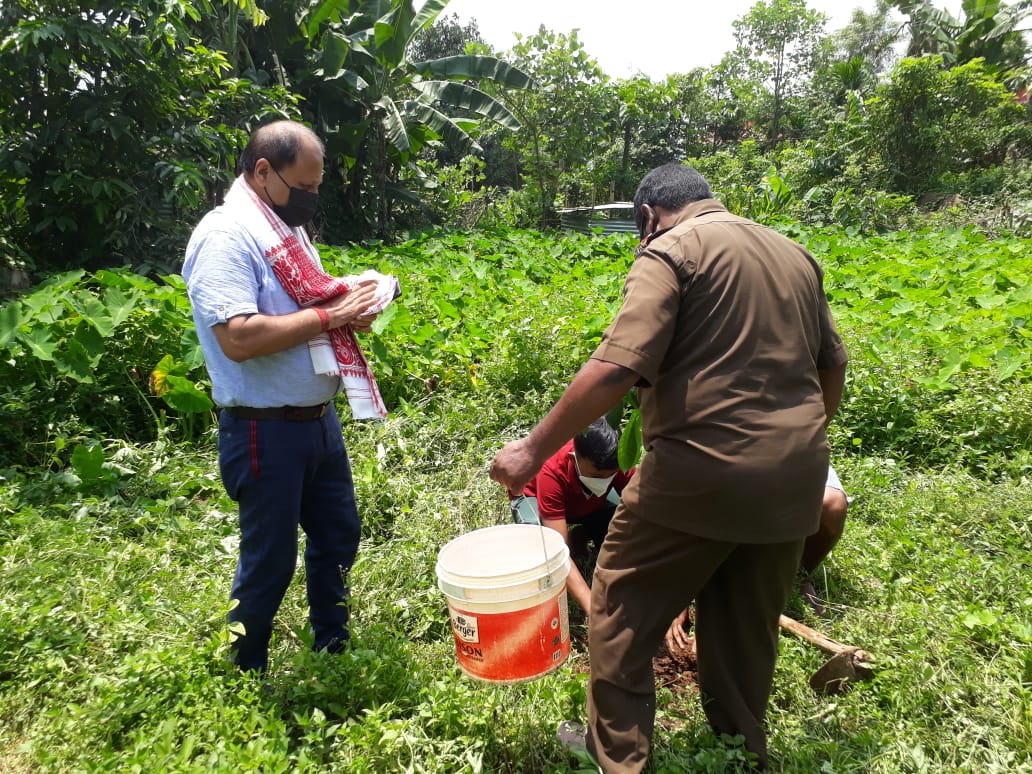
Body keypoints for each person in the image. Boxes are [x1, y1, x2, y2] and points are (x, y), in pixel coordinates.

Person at [490, 163, 847, 771]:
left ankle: (621, 759)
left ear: (650, 217)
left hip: (699, 470)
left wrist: (529, 449)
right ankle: (740, 751)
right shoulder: (795, 255)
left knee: (620, 605)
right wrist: (791, 445)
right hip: (795, 478)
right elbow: (832, 368)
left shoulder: (671, 250)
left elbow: (617, 365)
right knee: (746, 623)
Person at [183, 120, 399, 673]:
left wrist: (352, 306)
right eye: (303, 187)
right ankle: (244, 666)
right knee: (270, 558)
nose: (311, 197)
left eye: (316, 186)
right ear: (262, 172)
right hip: (263, 428)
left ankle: (331, 642)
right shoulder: (227, 237)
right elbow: (239, 337)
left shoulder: (283, 231)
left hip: (316, 422)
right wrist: (331, 315)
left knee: (338, 534)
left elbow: (307, 308)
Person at [666, 466, 851, 651]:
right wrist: (677, 591)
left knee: (832, 505)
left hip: (782, 459)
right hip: (719, 467)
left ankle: (798, 573)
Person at [509, 417, 635, 615]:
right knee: (541, 542)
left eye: (611, 475)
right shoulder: (550, 470)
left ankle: (582, 534)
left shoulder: (615, 460)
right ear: (573, 457)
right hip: (536, 498)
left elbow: (648, 514)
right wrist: (593, 609)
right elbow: (558, 552)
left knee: (625, 522)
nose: (605, 479)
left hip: (586, 502)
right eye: (598, 475)